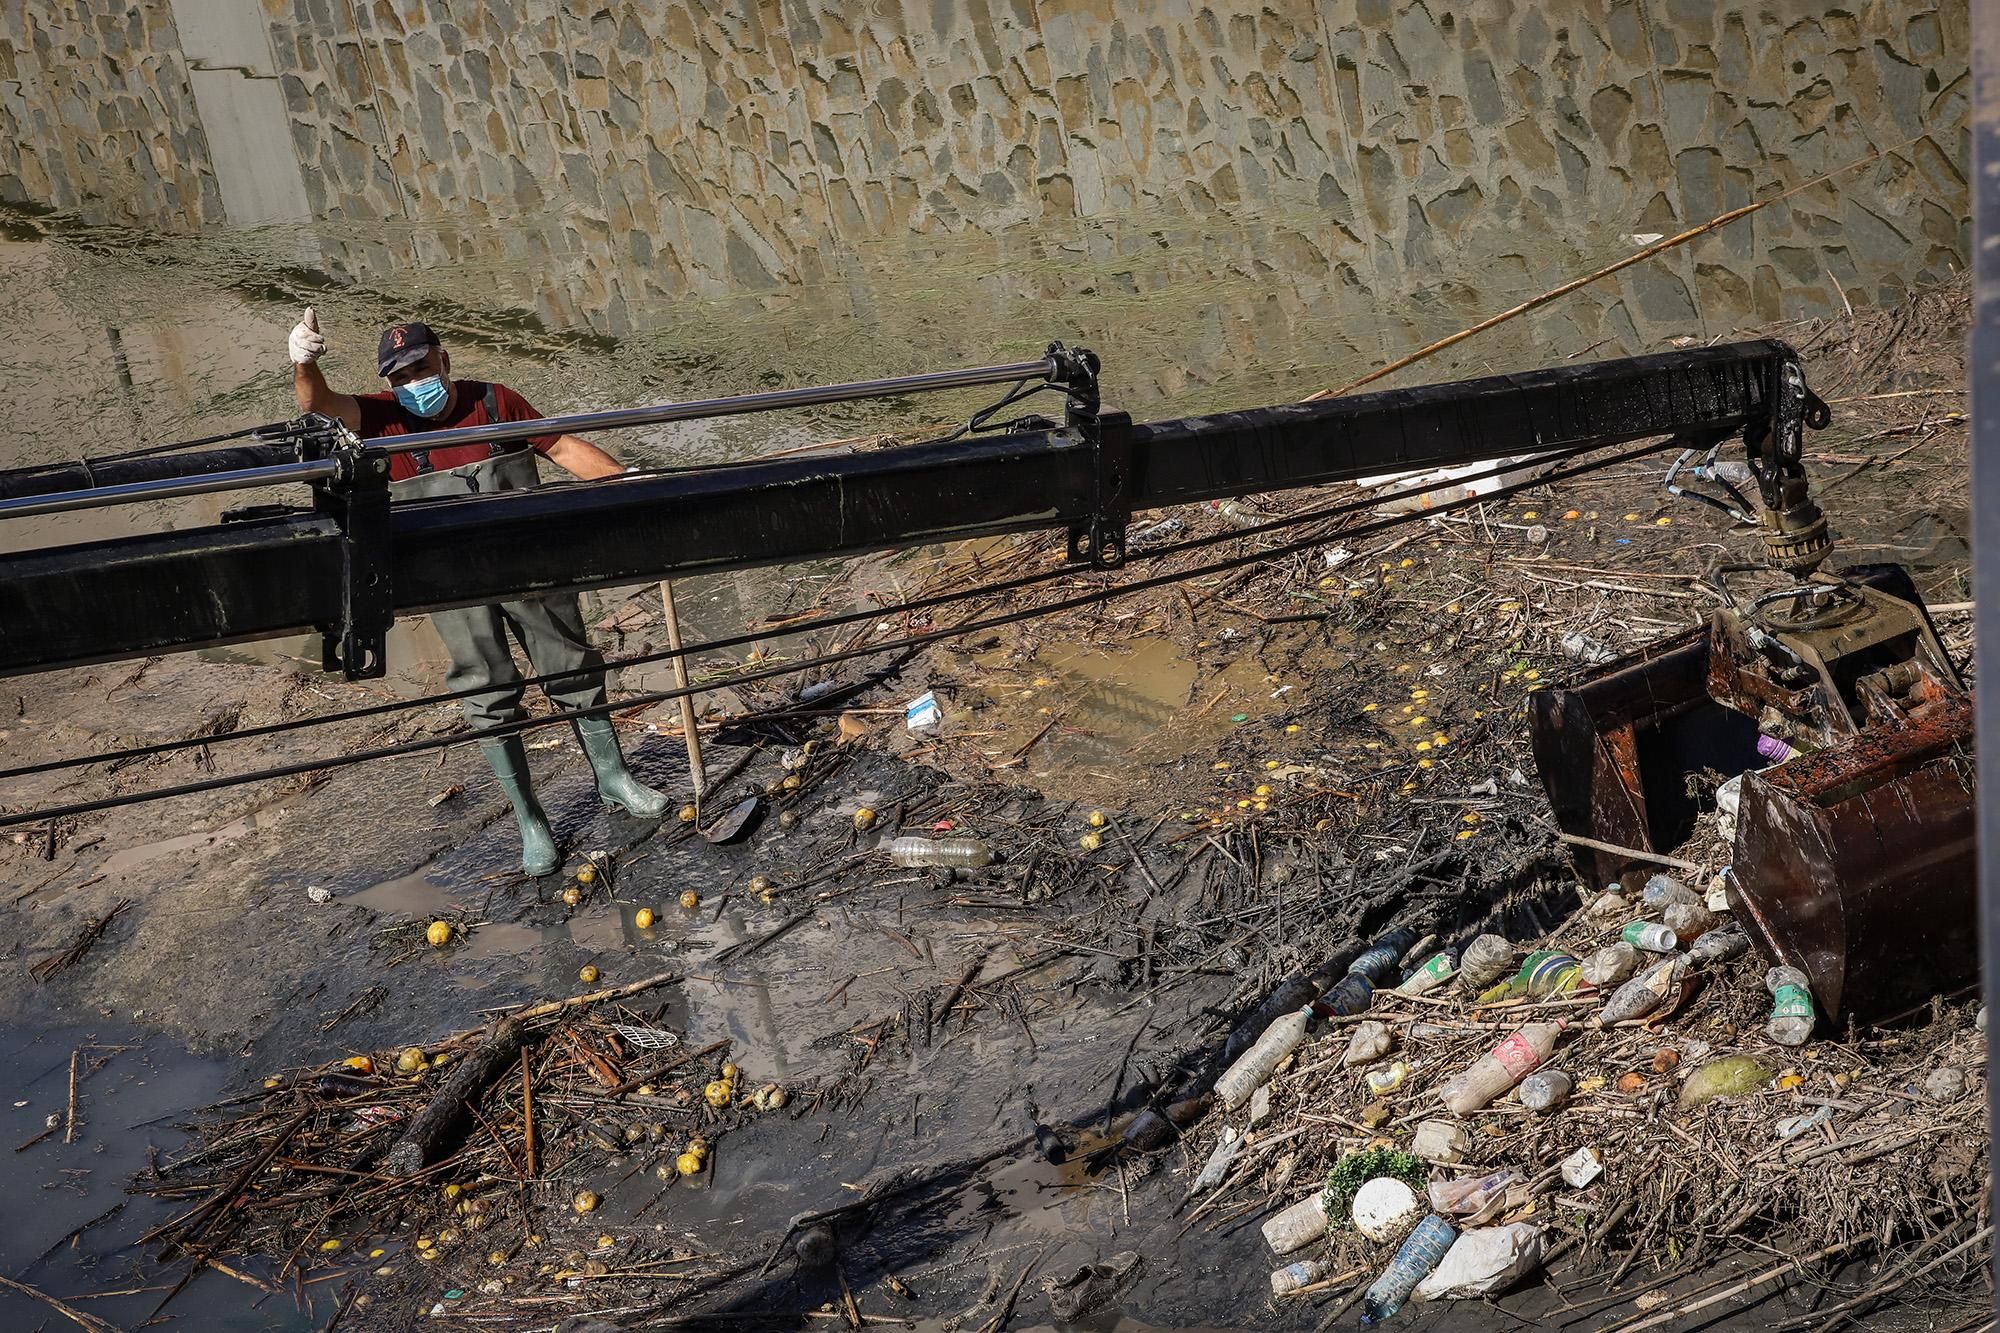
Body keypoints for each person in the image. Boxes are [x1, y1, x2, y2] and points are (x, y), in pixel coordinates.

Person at [286, 307, 669, 875]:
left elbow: (561, 447)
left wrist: (631, 485)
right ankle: (529, 819)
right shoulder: (379, 418)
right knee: (486, 686)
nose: (414, 382)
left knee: (571, 660)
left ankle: (613, 779)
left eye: (421, 366)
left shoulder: (494, 402)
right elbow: (316, 404)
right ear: (387, 383)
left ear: (444, 357)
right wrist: (305, 363)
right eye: (401, 376)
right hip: (449, 579)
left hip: (528, 559)